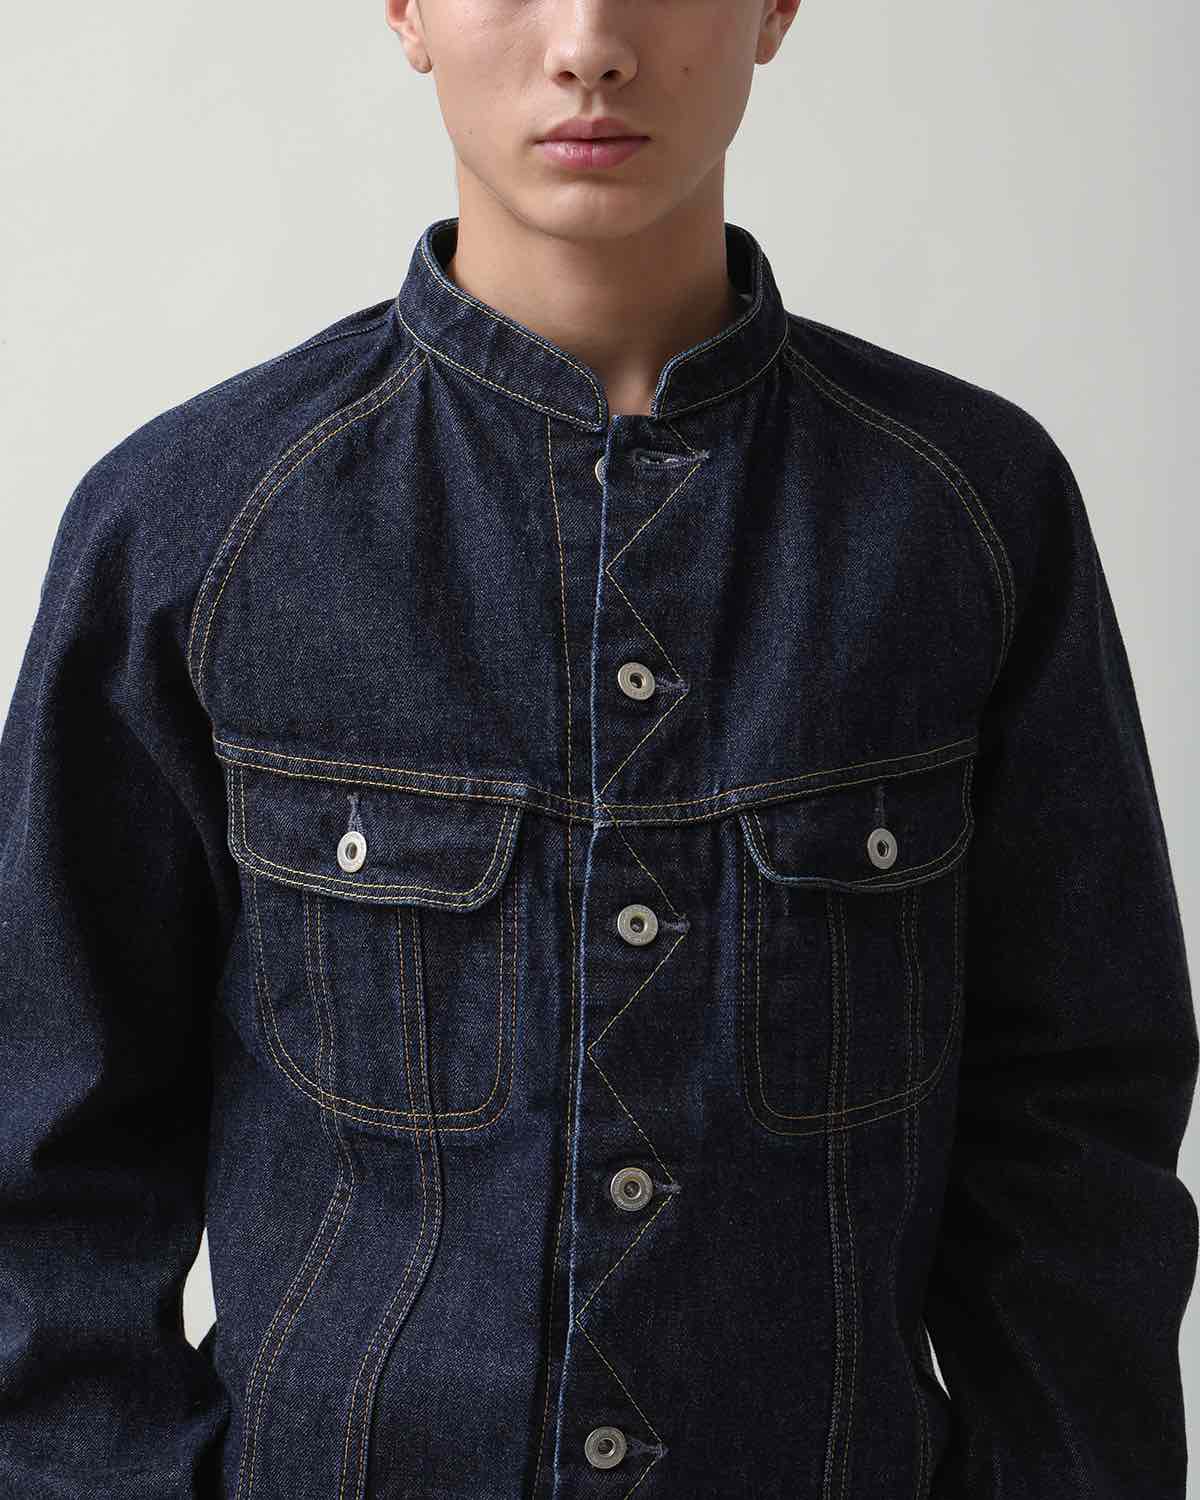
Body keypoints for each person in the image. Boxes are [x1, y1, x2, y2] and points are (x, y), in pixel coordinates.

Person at [1, 0, 1195, 1496]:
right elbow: (43, 1155)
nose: (588, 42)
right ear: (408, 10)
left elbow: (1075, 1150)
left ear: (775, 8)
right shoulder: (198, 527)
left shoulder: (965, 517)